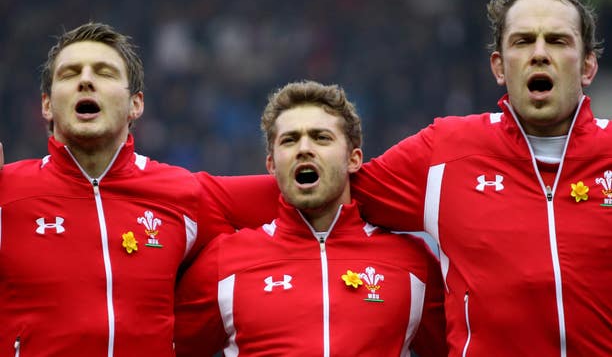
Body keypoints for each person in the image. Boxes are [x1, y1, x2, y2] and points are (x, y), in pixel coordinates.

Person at [350, 0, 612, 356]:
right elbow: (328, 193)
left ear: (588, 67)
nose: (539, 53)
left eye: (557, 40)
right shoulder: (447, 150)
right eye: (523, 41)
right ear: (499, 67)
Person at [0, 22, 278, 357]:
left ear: (136, 105)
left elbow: (321, 189)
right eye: (70, 73)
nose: (85, 80)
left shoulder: (182, 193)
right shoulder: (8, 192)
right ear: (46, 105)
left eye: (104, 73)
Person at [173, 81, 447, 356]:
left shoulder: (413, 264)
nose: (304, 148)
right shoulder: (223, 261)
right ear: (271, 164)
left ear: (353, 159)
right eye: (289, 140)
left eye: (321, 137)